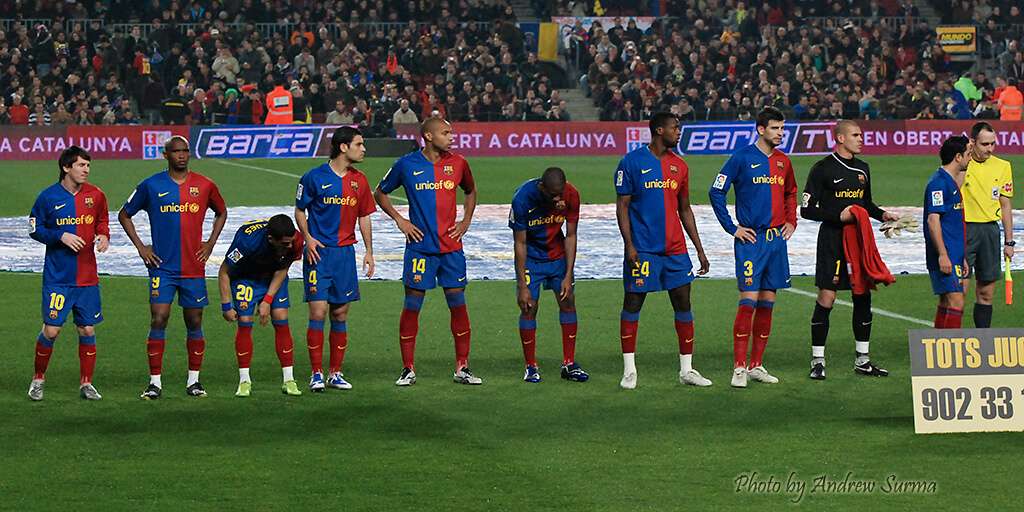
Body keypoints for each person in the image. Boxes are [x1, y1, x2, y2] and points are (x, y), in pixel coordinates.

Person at [119, 136, 228, 399]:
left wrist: (210, 243)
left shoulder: (204, 185)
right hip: (162, 267)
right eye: (176, 151)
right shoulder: (151, 185)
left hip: (193, 267)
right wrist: (141, 247)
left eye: (185, 151)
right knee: (159, 317)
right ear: (165, 155)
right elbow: (124, 214)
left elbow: (221, 212)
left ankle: (194, 381)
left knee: (194, 319)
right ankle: (154, 382)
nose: (182, 155)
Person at [374, 118, 480, 386]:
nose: (451, 137)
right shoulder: (407, 164)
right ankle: (407, 368)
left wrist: (465, 221)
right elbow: (380, 192)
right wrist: (400, 220)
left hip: (451, 248)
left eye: (451, 132)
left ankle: (462, 367)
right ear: (429, 136)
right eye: (446, 133)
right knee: (412, 306)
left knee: (458, 304)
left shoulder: (459, 163)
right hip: (420, 248)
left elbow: (470, 190)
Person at [614, 112, 711, 390]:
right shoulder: (631, 162)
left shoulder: (679, 166)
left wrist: (699, 249)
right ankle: (630, 370)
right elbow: (622, 206)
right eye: (674, 128)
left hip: (676, 251)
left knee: (683, 304)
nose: (679, 132)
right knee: (633, 304)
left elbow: (685, 209)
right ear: (659, 130)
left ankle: (687, 369)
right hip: (643, 250)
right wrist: (629, 245)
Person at [800, 120, 901, 380]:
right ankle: (818, 360)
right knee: (827, 297)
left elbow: (865, 204)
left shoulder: (863, 169)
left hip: (859, 241)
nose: (861, 139)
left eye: (861, 134)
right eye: (855, 135)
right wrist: (839, 215)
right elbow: (807, 209)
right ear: (841, 138)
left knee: (862, 295)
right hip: (832, 241)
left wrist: (883, 215)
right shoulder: (822, 168)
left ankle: (863, 360)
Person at [709, 107, 797, 388]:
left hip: (775, 242)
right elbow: (717, 191)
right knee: (748, 301)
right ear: (760, 129)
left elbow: (791, 192)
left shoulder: (784, 161)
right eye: (775, 128)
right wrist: (732, 227)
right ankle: (738, 367)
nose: (780, 134)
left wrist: (791, 221)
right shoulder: (741, 158)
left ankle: (756, 365)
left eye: (782, 129)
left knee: (768, 303)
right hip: (751, 241)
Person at [294, 127, 376, 392]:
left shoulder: (360, 181)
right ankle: (316, 373)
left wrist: (369, 251)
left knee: (340, 313)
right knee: (318, 311)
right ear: (343, 147)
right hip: (319, 254)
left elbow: (364, 216)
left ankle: (335, 373)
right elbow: (299, 210)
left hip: (345, 255)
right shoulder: (313, 177)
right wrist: (307, 237)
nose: (363, 149)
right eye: (359, 144)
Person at [27, 146, 109, 401]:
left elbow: (102, 219)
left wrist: (104, 235)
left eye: (88, 166)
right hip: (58, 278)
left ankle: (86, 384)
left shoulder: (96, 195)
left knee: (87, 330)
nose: (86, 170)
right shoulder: (47, 197)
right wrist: (59, 235)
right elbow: (34, 228)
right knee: (52, 330)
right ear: (66, 167)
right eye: (81, 165)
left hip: (87, 278)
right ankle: (38, 379)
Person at [509, 167, 588, 383]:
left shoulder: (571, 194)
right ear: (542, 187)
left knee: (568, 303)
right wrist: (522, 285)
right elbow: (520, 243)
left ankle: (569, 363)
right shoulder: (523, 199)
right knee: (528, 308)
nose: (558, 199)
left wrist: (568, 274)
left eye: (560, 193)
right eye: (552, 195)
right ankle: (531, 366)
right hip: (532, 260)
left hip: (558, 257)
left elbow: (571, 235)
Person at [217, 215, 304, 397]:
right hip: (246, 278)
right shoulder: (246, 242)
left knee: (281, 316)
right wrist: (226, 305)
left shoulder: (295, 240)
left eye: (291, 242)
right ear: (271, 239)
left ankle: (289, 379)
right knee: (245, 320)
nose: (290, 246)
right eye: (285, 244)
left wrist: (267, 300)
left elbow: (282, 269)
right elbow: (224, 272)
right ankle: (244, 381)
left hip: (272, 276)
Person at [963, 122, 1014, 328]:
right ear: (972, 142)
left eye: (993, 144)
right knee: (959, 291)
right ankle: (948, 339)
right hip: (965, 229)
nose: (990, 149)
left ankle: (982, 339)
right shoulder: (961, 163)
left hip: (990, 232)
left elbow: (1005, 204)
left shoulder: (1003, 166)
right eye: (985, 144)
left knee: (986, 292)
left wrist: (1009, 241)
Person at [926, 136, 973, 329]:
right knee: (956, 301)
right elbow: (933, 220)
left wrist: (959, 256)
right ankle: (951, 353)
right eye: (968, 154)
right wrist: (944, 255)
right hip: (944, 255)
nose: (971, 158)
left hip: (953, 254)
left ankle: (938, 348)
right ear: (958, 157)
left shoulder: (950, 182)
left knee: (947, 302)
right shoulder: (938, 184)